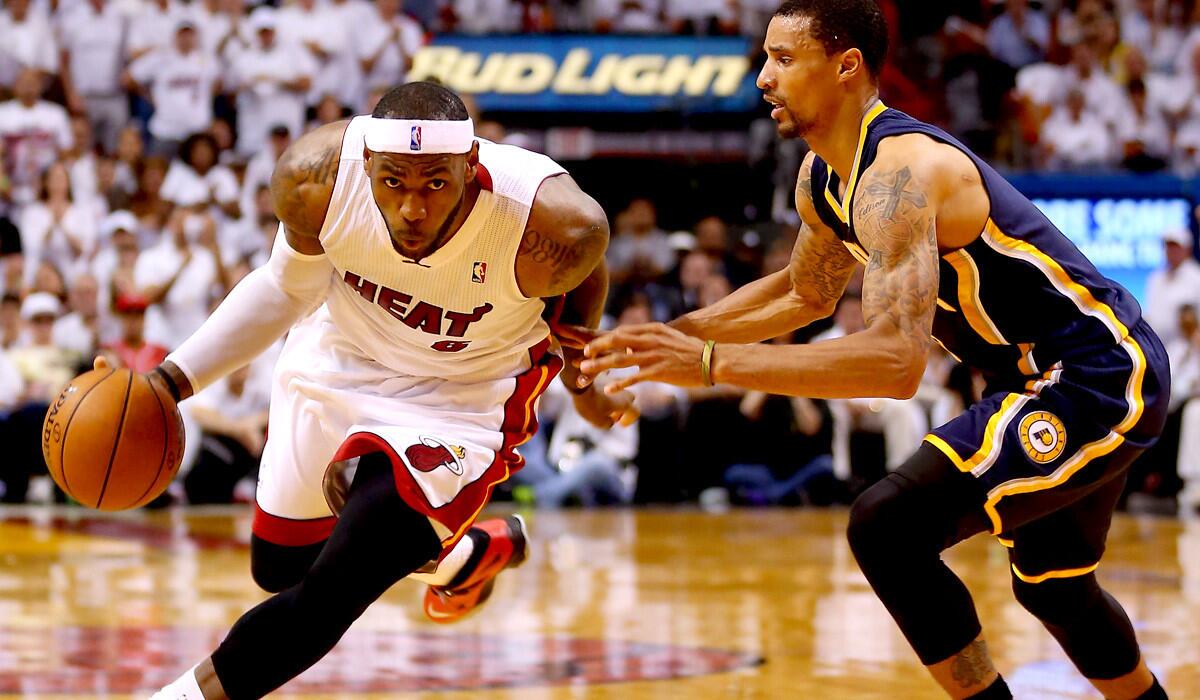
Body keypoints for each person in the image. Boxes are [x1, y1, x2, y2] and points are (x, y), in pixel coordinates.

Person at [573, 3, 1170, 699]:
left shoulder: (905, 172)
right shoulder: (825, 177)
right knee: (1056, 587)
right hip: (1028, 377)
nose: (763, 77)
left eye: (784, 59)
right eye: (766, 57)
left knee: (888, 526)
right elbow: (804, 292)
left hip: (1095, 375)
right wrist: (666, 342)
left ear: (846, 65)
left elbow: (893, 363)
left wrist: (707, 365)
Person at [129, 81, 633, 700]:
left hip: (459, 399)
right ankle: (465, 553)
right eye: (393, 183)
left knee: (327, 597)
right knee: (280, 569)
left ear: (470, 168)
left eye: (435, 185)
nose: (413, 209)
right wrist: (166, 383)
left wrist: (584, 389)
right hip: (337, 359)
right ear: (366, 163)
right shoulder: (318, 180)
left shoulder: (546, 221)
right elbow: (285, 290)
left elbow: (584, 277)